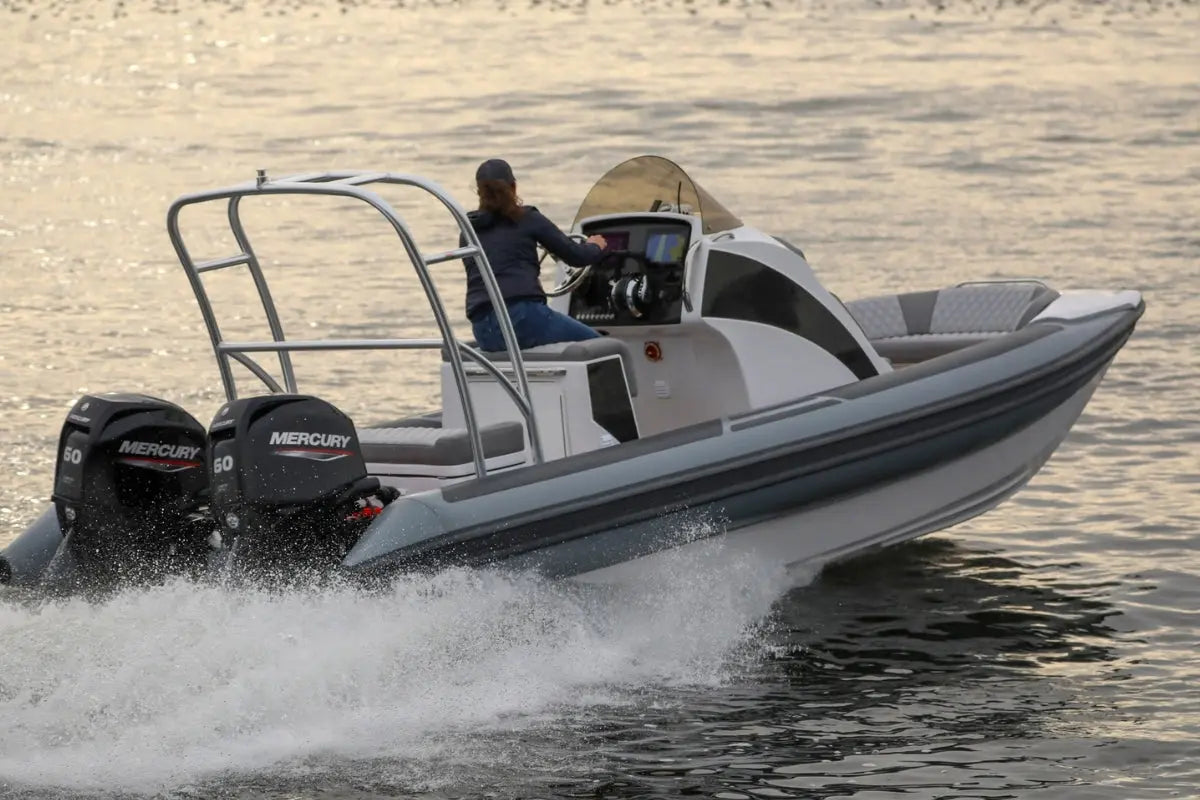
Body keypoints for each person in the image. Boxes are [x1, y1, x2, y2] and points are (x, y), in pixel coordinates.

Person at [461, 158, 608, 352]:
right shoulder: (528, 219)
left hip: (484, 330)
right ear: (513, 187)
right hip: (523, 319)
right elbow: (576, 256)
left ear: (479, 192)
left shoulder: (468, 232)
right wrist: (595, 246)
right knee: (604, 349)